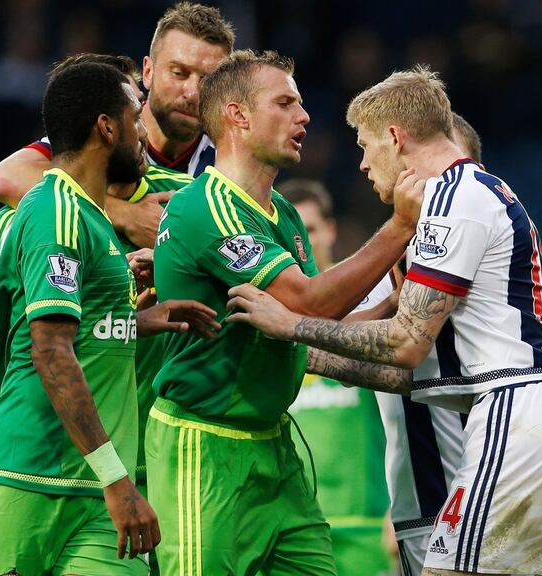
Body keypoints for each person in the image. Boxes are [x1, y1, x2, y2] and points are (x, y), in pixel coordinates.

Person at [225, 66, 542, 576]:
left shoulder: (452, 197)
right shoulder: (485, 193)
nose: (361, 163)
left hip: (515, 414)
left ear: (395, 138)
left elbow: (404, 343)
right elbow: (407, 374)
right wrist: (296, 351)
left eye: (365, 145)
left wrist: (289, 327)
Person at [148, 49, 421, 575]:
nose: (305, 117)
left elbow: (314, 330)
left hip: (273, 447)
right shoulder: (207, 206)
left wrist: (393, 303)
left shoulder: (285, 214)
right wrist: (399, 228)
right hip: (204, 446)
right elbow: (305, 303)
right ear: (238, 115)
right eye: (286, 103)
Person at [0, 62, 218, 576]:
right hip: (23, 475)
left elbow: (81, 332)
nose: (144, 132)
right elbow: (50, 350)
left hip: (96, 488)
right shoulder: (55, 209)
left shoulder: (92, 219)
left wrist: (141, 320)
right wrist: (118, 481)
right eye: (135, 118)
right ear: (107, 127)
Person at [0, 2, 235, 248]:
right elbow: (6, 179)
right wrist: (125, 215)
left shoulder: (229, 160)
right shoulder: (106, 127)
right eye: (179, 73)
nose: (192, 93)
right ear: (148, 72)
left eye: (208, 80)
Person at [277, 179, 394, 576]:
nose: (302, 243)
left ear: (330, 230)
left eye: (310, 230)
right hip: (291, 527)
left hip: (368, 525)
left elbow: (408, 410)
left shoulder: (375, 306)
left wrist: (405, 505)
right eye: (293, 233)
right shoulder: (269, 312)